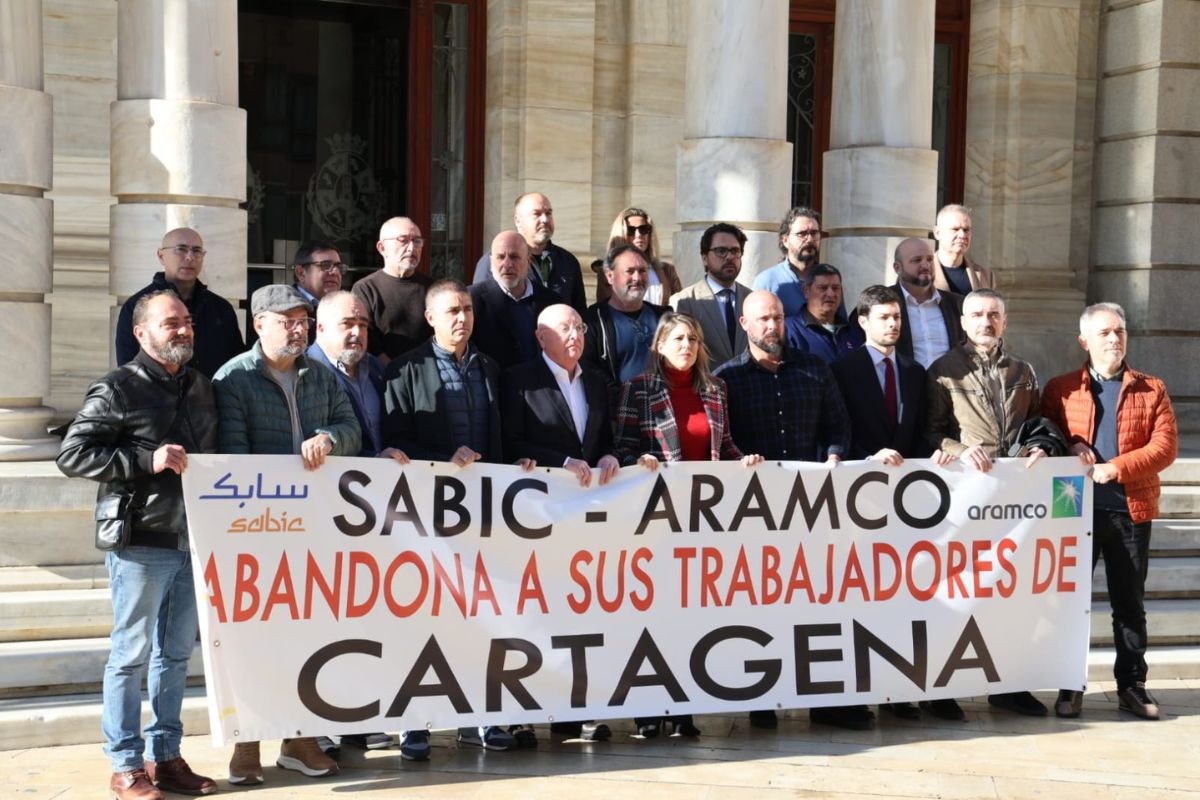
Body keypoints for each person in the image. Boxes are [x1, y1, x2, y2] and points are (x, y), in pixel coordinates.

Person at [58, 290, 218, 800]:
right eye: (171, 323)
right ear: (140, 332)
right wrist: (146, 460)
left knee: (175, 656)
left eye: (187, 321)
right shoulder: (117, 387)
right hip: (140, 539)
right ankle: (125, 766)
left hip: (193, 539)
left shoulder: (202, 386)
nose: (183, 330)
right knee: (130, 655)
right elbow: (73, 454)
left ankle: (165, 757)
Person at [213, 284, 362, 784]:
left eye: (303, 320)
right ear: (259, 324)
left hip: (316, 530)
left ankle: (300, 739)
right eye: (286, 321)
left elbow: (352, 429)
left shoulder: (320, 374)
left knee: (308, 636)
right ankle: (247, 743)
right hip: (257, 532)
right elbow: (234, 454)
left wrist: (330, 439)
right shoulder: (233, 379)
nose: (298, 329)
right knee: (254, 639)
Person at [382, 278, 535, 753]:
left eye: (467, 309)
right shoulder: (405, 369)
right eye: (452, 311)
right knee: (423, 619)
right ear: (430, 318)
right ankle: (414, 722)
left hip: (482, 514)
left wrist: (515, 465)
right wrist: (445, 459)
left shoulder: (489, 368)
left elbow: (500, 437)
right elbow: (394, 439)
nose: (462, 318)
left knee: (482, 617)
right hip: (425, 516)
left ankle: (483, 718)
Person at [614, 311, 764, 739]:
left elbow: (724, 445)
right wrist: (638, 461)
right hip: (654, 521)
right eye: (678, 339)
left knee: (690, 617)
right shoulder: (638, 389)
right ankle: (647, 708)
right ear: (660, 346)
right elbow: (622, 448)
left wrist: (744, 460)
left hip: (702, 524)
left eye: (693, 339)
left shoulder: (715, 389)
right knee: (650, 617)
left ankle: (683, 707)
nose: (687, 346)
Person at [715, 291, 857, 730]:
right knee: (759, 607)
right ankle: (762, 698)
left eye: (777, 317)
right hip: (752, 516)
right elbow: (721, 444)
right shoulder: (725, 380)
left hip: (811, 511)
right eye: (763, 319)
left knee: (816, 604)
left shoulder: (815, 369)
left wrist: (834, 453)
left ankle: (826, 701)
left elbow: (838, 425)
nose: (772, 326)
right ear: (744, 324)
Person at [1042, 302, 1178, 720]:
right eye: (1104, 332)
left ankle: (1132, 687)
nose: (1114, 339)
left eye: (1120, 331)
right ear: (1084, 341)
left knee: (1129, 605)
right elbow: (1044, 434)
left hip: (1130, 511)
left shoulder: (1151, 388)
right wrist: (1068, 445)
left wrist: (1117, 467)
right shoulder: (1061, 388)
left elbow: (1165, 447)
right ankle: (1070, 686)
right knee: (1069, 603)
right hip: (1073, 509)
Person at [924, 287, 1049, 719]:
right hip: (967, 501)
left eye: (993, 314)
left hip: (1017, 502)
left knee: (1012, 596)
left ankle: (1009, 685)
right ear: (962, 322)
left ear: (1004, 321)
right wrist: (959, 450)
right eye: (976, 314)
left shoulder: (1023, 370)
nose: (986, 322)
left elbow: (1037, 423)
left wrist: (1042, 447)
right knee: (958, 594)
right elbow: (930, 432)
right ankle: (941, 690)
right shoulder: (943, 371)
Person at [831, 285, 951, 722]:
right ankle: (854, 691)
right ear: (863, 321)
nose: (893, 324)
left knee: (902, 597)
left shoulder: (915, 371)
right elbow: (838, 428)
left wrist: (932, 455)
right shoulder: (842, 369)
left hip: (906, 503)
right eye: (884, 317)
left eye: (897, 317)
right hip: (858, 500)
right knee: (860, 597)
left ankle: (899, 689)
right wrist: (868, 457)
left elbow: (919, 432)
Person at [500, 303, 620, 743]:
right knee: (532, 617)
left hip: (585, 522)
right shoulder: (518, 380)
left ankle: (576, 712)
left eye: (579, 327)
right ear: (540, 336)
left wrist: (610, 455)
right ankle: (521, 714)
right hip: (535, 520)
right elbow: (509, 442)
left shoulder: (597, 381)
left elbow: (605, 440)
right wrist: (561, 461)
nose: (575, 335)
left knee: (577, 616)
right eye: (564, 328)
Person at [114, 227, 243, 378]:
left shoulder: (221, 309)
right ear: (161, 256)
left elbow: (237, 365)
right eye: (181, 249)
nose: (190, 257)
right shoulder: (137, 306)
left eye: (196, 250)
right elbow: (129, 370)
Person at [582, 243, 671, 404]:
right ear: (610, 276)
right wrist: (624, 401)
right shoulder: (593, 321)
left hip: (663, 408)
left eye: (642, 271)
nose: (637, 278)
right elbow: (589, 369)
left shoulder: (664, 316)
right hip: (617, 410)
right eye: (629, 271)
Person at [472, 192, 586, 313]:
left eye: (549, 213)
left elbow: (579, 312)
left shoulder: (567, 261)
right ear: (518, 221)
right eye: (536, 214)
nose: (545, 219)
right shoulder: (495, 261)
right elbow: (480, 306)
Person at [469, 230, 560, 369]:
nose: (507, 264)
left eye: (514, 257)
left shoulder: (551, 302)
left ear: (528, 261)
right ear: (491, 263)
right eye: (500, 257)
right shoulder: (472, 299)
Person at [353, 216, 433, 364]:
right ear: (382, 248)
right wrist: (393, 370)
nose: (412, 248)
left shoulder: (433, 288)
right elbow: (367, 339)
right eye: (403, 240)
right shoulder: (366, 289)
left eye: (417, 241)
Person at [669, 222, 751, 367]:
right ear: (705, 258)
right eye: (721, 251)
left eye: (735, 251)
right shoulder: (684, 302)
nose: (729, 257)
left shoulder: (751, 299)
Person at [892, 237, 964, 368]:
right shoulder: (883, 303)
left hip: (952, 379)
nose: (926, 265)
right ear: (898, 268)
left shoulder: (956, 304)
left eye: (930, 259)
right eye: (917, 260)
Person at [594, 207, 682, 306]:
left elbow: (680, 307)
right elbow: (604, 308)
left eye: (643, 229)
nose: (638, 235)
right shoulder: (606, 273)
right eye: (631, 230)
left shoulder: (667, 270)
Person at [752, 206, 826, 321]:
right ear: (785, 240)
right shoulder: (767, 282)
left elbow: (842, 325)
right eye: (802, 234)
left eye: (814, 233)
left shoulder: (829, 279)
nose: (810, 239)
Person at [784, 263, 863, 362]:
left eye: (835, 288)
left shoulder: (851, 331)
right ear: (806, 291)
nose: (831, 294)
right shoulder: (789, 330)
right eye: (823, 288)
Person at [932, 204, 996, 295]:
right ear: (937, 233)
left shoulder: (985, 276)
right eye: (955, 229)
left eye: (966, 230)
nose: (962, 235)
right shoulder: (921, 272)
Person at [291, 240, 345, 344]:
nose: (335, 272)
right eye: (325, 265)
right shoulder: (284, 309)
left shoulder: (344, 307)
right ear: (300, 273)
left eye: (338, 267)